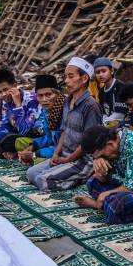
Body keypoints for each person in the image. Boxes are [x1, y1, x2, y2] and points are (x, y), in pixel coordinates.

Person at [27, 57, 102, 191]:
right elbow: (64, 131)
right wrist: (56, 154)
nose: (66, 81)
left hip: (82, 161)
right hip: (65, 155)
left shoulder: (91, 106)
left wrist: (67, 160)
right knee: (31, 174)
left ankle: (82, 178)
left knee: (42, 180)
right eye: (65, 76)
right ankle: (67, 174)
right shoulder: (68, 101)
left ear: (84, 78)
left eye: (70, 76)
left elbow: (88, 143)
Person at [0, 68, 42, 159]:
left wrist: (18, 105)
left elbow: (24, 131)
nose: (3, 95)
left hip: (32, 136)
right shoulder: (6, 101)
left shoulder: (31, 100)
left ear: (15, 86)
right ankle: (4, 150)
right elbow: (5, 125)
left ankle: (7, 151)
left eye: (5, 90)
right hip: (16, 133)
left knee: (7, 141)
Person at [17, 74, 66, 165]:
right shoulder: (46, 110)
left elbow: (64, 146)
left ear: (57, 94)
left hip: (63, 151)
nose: (44, 99)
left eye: (48, 95)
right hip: (52, 146)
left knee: (37, 162)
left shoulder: (65, 110)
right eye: (40, 96)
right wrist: (33, 146)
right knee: (19, 142)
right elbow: (49, 137)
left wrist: (36, 154)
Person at [94, 57, 129, 126]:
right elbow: (104, 113)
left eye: (104, 71)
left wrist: (103, 124)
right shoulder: (101, 91)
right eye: (97, 72)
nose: (100, 75)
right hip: (109, 125)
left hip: (123, 126)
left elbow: (119, 115)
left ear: (112, 71)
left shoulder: (120, 87)